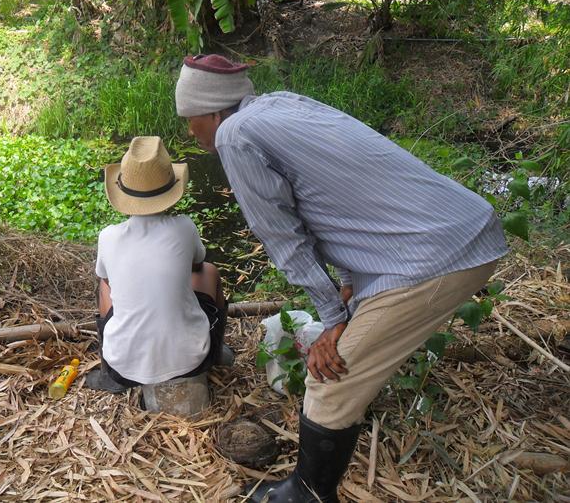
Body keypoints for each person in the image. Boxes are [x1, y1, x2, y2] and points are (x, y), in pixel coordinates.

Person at [175, 55, 508, 502]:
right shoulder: (280, 106)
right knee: (345, 354)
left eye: (190, 120)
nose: (189, 133)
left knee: (331, 380)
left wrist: (334, 318)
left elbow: (283, 236)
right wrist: (348, 281)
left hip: (431, 256)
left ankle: (310, 493)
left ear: (213, 113)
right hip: (451, 231)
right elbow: (341, 196)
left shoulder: (236, 136)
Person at [86, 135, 232, 394]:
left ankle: (109, 375)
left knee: (104, 284)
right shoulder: (184, 227)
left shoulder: (108, 236)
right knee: (210, 271)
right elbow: (198, 268)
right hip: (192, 362)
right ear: (170, 189)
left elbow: (109, 282)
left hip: (123, 367)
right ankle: (217, 354)